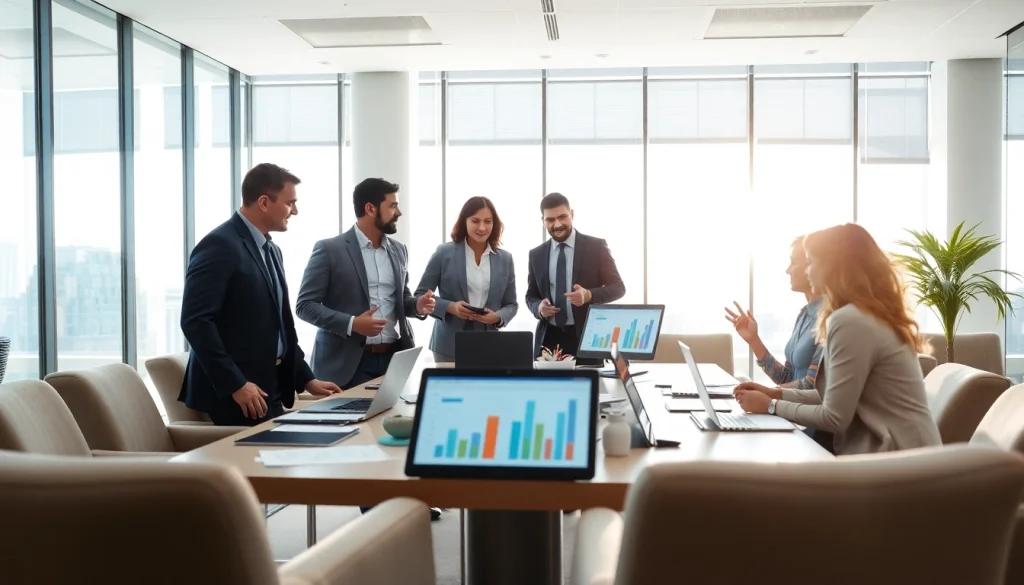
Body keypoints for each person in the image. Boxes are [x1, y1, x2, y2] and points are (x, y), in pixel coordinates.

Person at [733, 223, 942, 456]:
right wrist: (776, 394)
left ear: (833, 267)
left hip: (898, 460)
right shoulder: (863, 314)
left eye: (811, 263)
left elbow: (834, 417)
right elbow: (832, 396)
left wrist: (771, 406)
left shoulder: (849, 320)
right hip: (911, 455)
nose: (808, 271)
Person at [179, 163, 341, 427]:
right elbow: (195, 322)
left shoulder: (272, 250)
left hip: (270, 387)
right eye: (291, 203)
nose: (296, 211)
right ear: (264, 202)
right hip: (238, 396)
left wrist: (307, 379)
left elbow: (279, 327)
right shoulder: (219, 245)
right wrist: (236, 384)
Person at [295, 178, 434, 390]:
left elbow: (401, 299)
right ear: (370, 208)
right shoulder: (329, 249)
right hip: (346, 366)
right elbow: (305, 306)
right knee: (355, 424)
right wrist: (352, 324)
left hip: (392, 360)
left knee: (392, 422)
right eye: (393, 205)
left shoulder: (399, 250)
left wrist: (417, 306)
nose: (399, 212)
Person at [525, 193, 626, 366]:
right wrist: (539, 308)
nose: (557, 224)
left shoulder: (596, 247)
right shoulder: (536, 254)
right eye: (550, 220)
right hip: (549, 341)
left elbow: (618, 287)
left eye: (562, 217)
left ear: (572, 214)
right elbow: (531, 296)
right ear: (543, 221)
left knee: (593, 391)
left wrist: (588, 295)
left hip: (588, 338)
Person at [414, 197, 518, 362]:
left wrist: (498, 317)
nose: (482, 227)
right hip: (448, 344)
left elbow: (511, 304)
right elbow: (420, 295)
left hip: (490, 344)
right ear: (465, 221)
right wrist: (450, 306)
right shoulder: (444, 253)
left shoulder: (505, 258)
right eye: (475, 221)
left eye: (488, 221)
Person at [725, 236, 824, 389]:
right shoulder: (804, 315)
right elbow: (786, 379)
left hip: (803, 411)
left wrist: (766, 393)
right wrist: (754, 341)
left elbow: (813, 385)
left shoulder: (830, 318)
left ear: (812, 266)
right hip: (791, 409)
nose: (787, 270)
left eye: (793, 262)